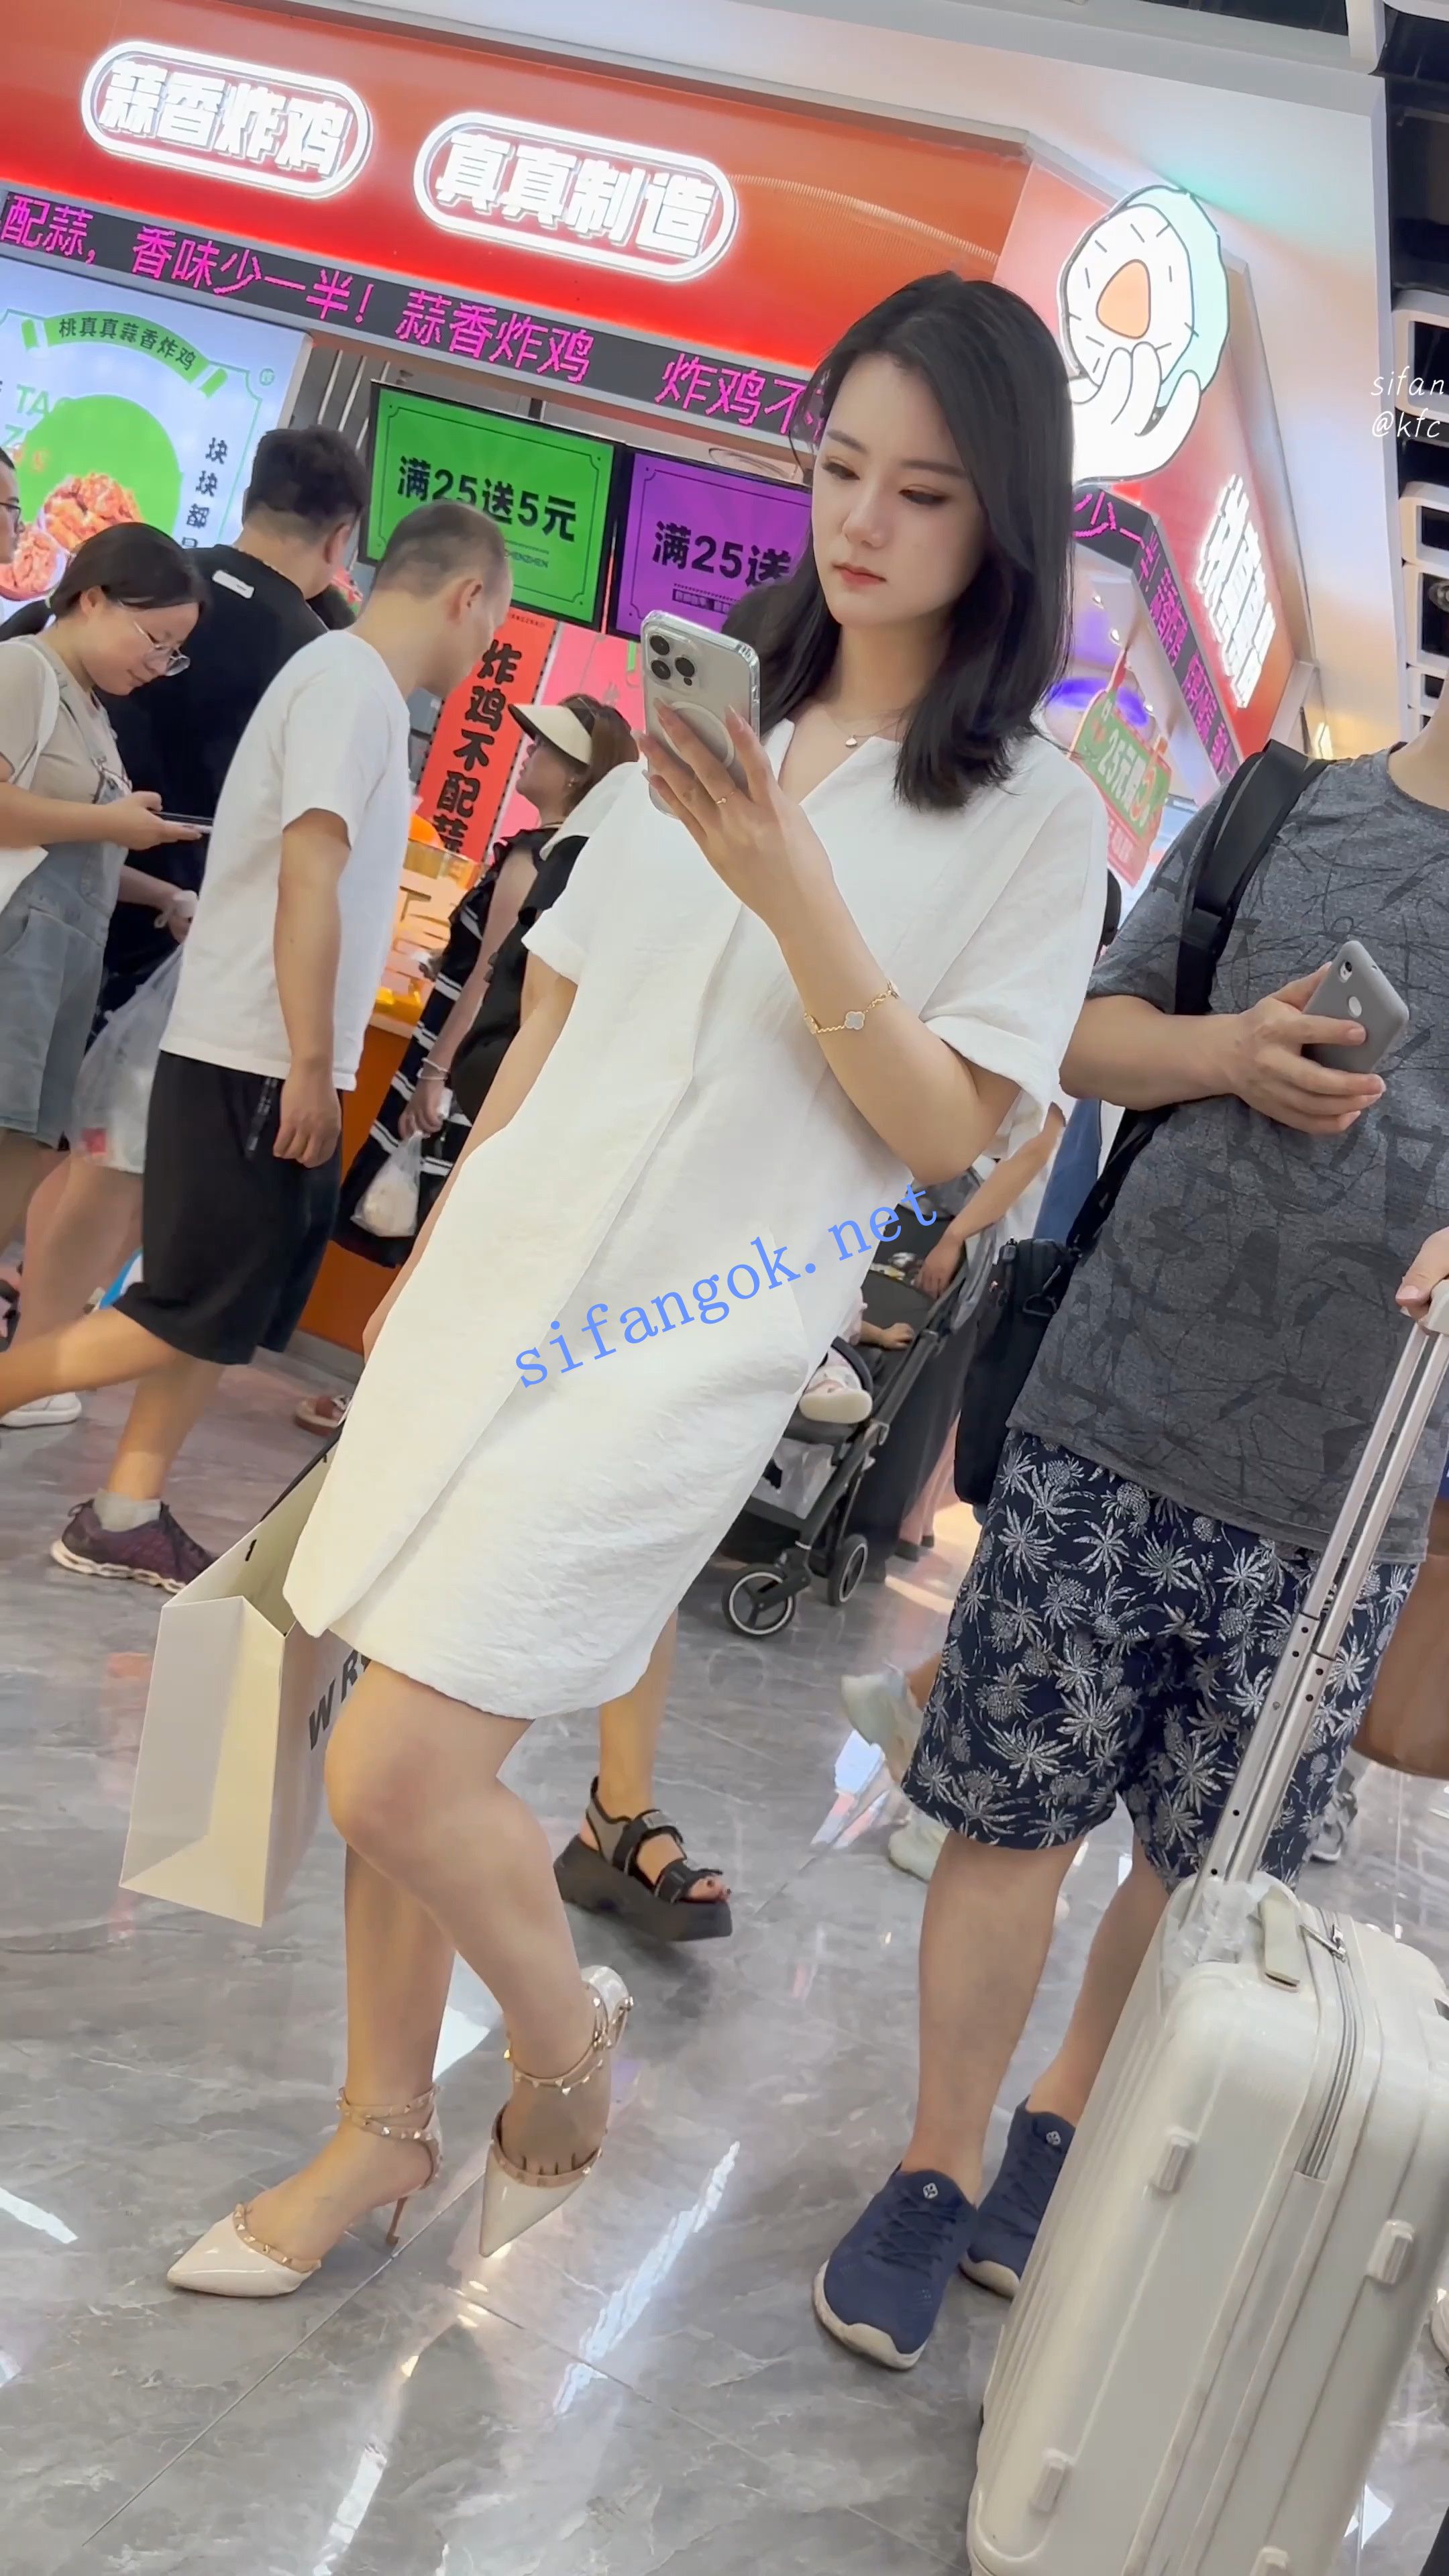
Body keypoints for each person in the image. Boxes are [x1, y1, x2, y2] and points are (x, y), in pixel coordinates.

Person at [154, 270, 1105, 2299]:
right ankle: (378, 2127)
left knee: (393, 1764)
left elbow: (947, 1124)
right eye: (839, 465)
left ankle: (565, 2037)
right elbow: (561, 1011)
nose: (861, 522)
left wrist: (795, 885)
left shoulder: (1031, 816)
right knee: (398, 1715)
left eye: (925, 490)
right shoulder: (706, 715)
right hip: (502, 1276)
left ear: (1005, 519)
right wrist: (435, 1265)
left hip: (689, 1338)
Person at [820, 704, 1449, 2375]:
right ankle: (935, 2160)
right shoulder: (1282, 807)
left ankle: (1065, 2119)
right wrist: (1231, 1051)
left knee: (1201, 1870)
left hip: (1351, 1501)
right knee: (1008, 1816)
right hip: (1119, 1405)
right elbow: (1082, 1039)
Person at [0, 501, 510, 1591]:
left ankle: (127, 1510)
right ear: (468, 598)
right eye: (492, 627)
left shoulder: (352, 686)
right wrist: (308, 1062)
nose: (482, 652)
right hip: (256, 1051)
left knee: (219, 1309)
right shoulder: (348, 687)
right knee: (189, 1306)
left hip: (264, 1046)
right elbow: (307, 879)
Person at [3, 427, 369, 1428]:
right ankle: (33, 1359)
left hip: (104, 921)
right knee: (91, 1155)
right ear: (341, 536)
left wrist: (150, 881)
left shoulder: (153, 605)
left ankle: (28, 1346)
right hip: (108, 943)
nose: (161, 660)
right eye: (156, 645)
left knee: (47, 1144)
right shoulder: (316, 659)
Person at [0, 525, 205, 1286]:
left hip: (59, 969)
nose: (157, 666)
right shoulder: (24, 671)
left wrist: (165, 893)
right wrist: (114, 825)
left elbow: (77, 849)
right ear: (92, 599)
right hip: (17, 954)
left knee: (28, 1144)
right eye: (155, 641)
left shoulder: (92, 709)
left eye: (173, 653)